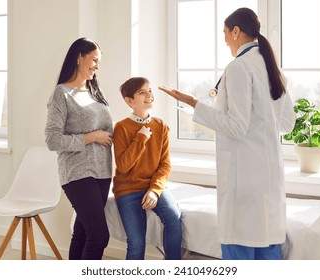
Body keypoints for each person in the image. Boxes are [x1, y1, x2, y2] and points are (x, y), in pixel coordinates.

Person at [158, 8, 295, 260]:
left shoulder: (238, 67)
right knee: (267, 253)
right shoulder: (274, 68)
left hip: (243, 180)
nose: (223, 39)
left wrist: (193, 104)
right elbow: (287, 123)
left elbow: (237, 126)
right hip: (269, 179)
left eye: (224, 32)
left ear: (235, 31)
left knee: (240, 249)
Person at [45, 37, 113, 260]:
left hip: (102, 172)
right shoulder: (61, 94)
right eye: (94, 59)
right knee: (99, 235)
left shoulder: (95, 92)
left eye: (99, 62)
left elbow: (109, 132)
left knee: (83, 232)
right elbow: (53, 140)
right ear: (79, 57)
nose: (97, 66)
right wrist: (91, 137)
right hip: (77, 172)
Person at [113, 77, 182, 260]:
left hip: (152, 186)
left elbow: (165, 165)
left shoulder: (160, 127)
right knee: (136, 243)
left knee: (174, 219)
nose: (149, 95)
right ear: (129, 101)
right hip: (128, 190)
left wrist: (154, 190)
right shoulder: (121, 128)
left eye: (149, 90)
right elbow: (123, 166)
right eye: (142, 92)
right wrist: (141, 138)